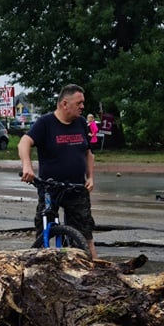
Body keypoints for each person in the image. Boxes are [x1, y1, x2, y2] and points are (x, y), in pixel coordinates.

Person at [18, 83, 97, 258]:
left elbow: (88, 153)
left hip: (77, 187)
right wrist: (27, 165)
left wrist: (90, 177)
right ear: (64, 104)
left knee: (86, 235)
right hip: (50, 188)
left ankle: (94, 272)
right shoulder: (45, 123)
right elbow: (24, 142)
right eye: (79, 103)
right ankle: (39, 267)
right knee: (43, 230)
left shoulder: (82, 123)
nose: (83, 106)